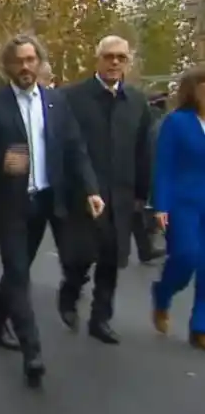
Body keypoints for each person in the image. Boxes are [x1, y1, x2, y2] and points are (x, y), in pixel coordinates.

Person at [0, 34, 101, 388]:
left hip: (48, 198)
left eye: (31, 60)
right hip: (9, 203)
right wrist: (0, 159)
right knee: (18, 272)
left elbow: (75, 149)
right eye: (19, 61)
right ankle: (32, 351)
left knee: (68, 258)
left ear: (39, 63)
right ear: (8, 67)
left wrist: (91, 189)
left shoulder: (55, 102)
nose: (26, 67)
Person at [58, 36, 151, 344]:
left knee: (111, 260)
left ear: (128, 62)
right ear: (97, 59)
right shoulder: (74, 98)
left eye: (121, 58)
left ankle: (101, 319)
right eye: (109, 57)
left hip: (121, 194)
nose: (114, 63)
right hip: (83, 193)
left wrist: (142, 193)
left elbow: (143, 148)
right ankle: (69, 293)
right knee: (81, 255)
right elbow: (66, 146)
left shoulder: (137, 102)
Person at [151, 65, 205, 349]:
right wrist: (161, 205)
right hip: (183, 203)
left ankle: (200, 327)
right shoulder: (177, 122)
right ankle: (162, 294)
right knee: (186, 257)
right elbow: (164, 166)